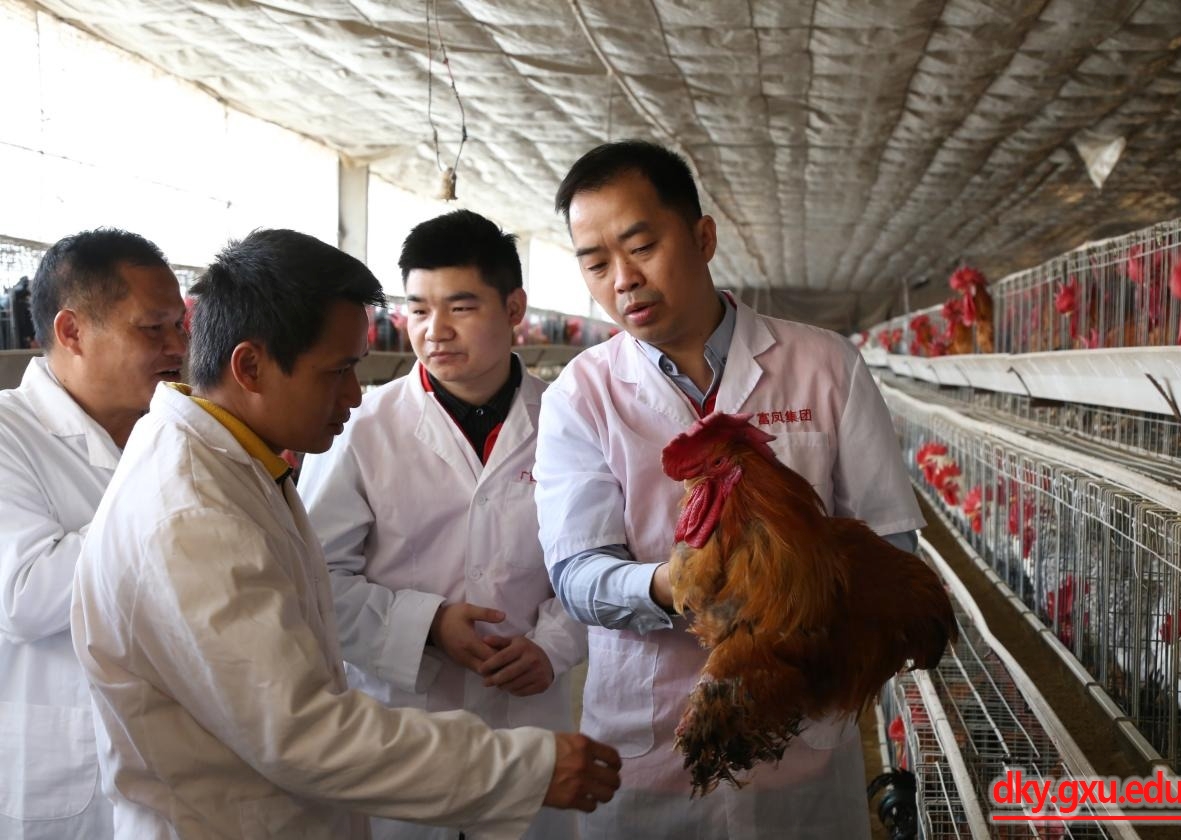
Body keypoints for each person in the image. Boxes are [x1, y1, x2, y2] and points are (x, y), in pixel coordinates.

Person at [70, 229, 620, 840]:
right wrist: (526, 768)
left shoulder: (235, 467)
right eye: (338, 371)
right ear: (250, 366)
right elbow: (300, 732)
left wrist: (552, 646)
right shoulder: (193, 514)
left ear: (513, 309)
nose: (355, 395)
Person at [533, 140, 925, 839]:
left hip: (802, 744)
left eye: (642, 247)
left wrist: (798, 602)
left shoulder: (825, 363)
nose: (623, 279)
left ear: (703, 237)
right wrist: (671, 585)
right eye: (596, 264)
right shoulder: (579, 394)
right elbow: (575, 575)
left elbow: (891, 540)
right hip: (649, 752)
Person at [300, 210, 587, 840]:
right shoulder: (361, 427)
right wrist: (426, 625)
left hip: (526, 712)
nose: (435, 331)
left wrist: (553, 645)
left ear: (514, 308)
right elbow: (314, 580)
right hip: (403, 726)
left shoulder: (568, 421)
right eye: (418, 309)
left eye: (460, 307)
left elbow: (596, 559)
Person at [0, 228, 186, 840]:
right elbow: (25, 596)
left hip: (172, 762)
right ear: (72, 331)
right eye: (152, 329)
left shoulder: (168, 430)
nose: (177, 347)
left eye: (179, 326)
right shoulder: (8, 434)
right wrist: (177, 508)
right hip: (63, 767)